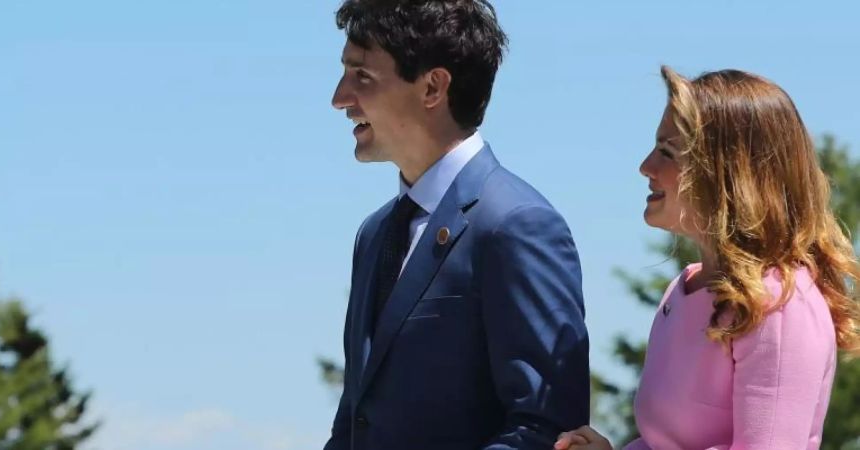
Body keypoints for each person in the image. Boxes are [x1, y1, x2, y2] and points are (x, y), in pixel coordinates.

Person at [324, 1, 590, 449]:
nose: (339, 98)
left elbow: (545, 428)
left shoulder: (517, 226)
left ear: (432, 87)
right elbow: (353, 422)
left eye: (361, 76)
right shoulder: (373, 235)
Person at [556, 66, 860, 450]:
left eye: (667, 151)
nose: (646, 166)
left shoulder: (780, 305)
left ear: (727, 174)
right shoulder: (683, 291)